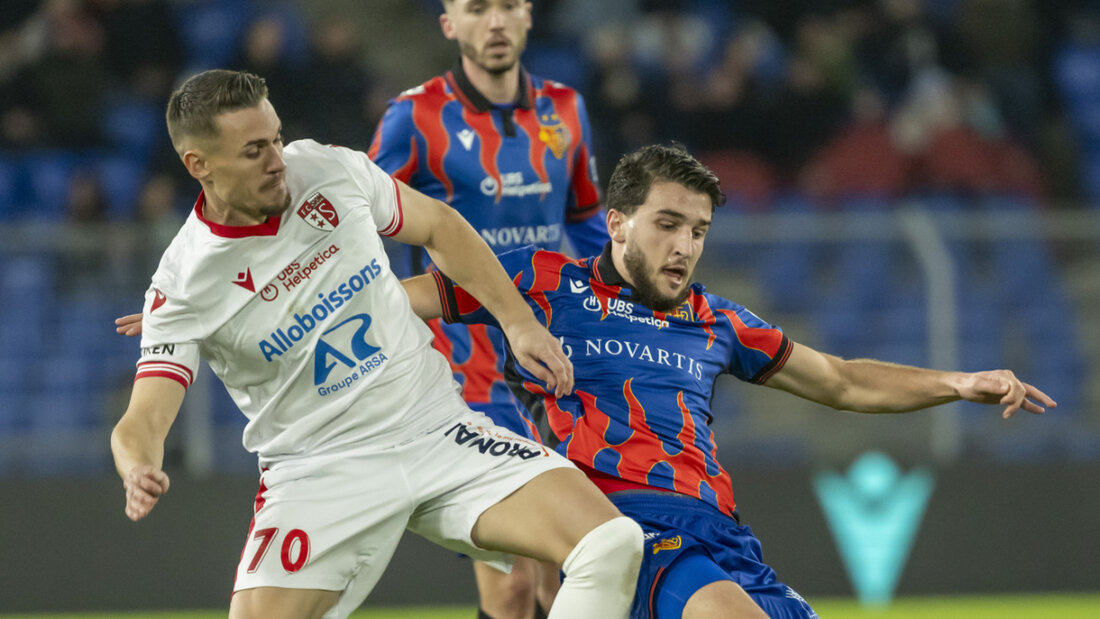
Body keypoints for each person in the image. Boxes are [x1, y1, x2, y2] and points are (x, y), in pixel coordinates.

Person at [398, 143, 1057, 618]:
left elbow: (842, 381)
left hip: (725, 540)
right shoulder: (544, 282)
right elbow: (400, 301)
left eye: (698, 231)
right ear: (617, 222)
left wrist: (957, 381)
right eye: (667, 225)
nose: (684, 246)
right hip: (625, 526)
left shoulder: (719, 320)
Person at [109, 69, 644, 619]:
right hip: (320, 470)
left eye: (276, 138)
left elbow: (439, 225)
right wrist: (138, 466)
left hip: (436, 428)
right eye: (253, 151)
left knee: (610, 542)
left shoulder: (327, 169)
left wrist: (517, 321)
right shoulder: (184, 283)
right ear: (198, 165)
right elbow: (143, 419)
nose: (277, 160)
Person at [367, 1, 608, 617]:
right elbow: (358, 226)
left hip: (554, 367)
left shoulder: (566, 107)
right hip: (461, 375)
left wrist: (618, 306)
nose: (495, 21)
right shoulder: (413, 118)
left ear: (528, 16)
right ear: (449, 24)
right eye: (477, 8)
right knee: (512, 585)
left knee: (567, 575)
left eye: (508, 6)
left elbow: (585, 223)